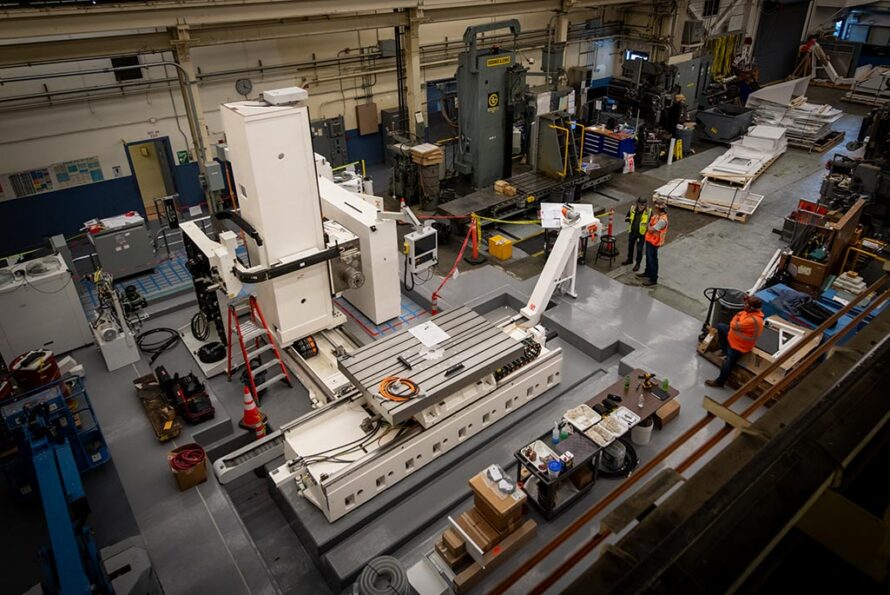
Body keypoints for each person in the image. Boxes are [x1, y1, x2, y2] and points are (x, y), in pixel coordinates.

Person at [706, 295, 765, 388]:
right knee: (720, 326)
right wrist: (736, 319)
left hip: (739, 345)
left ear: (751, 308)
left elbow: (733, 324)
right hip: (733, 337)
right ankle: (724, 349)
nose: (744, 306)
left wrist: (735, 320)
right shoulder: (750, 313)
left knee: (728, 363)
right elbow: (739, 314)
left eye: (746, 304)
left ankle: (720, 382)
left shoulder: (753, 320)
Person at [636, 198, 668, 287]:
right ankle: (647, 272)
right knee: (648, 258)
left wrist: (649, 226)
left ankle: (653, 279)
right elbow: (649, 223)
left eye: (655, 207)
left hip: (655, 243)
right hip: (650, 240)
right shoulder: (658, 216)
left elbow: (650, 229)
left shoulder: (662, 220)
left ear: (658, 208)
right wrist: (649, 226)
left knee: (653, 260)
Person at [621, 197, 650, 272]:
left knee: (639, 249)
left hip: (641, 234)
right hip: (632, 232)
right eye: (640, 204)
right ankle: (629, 259)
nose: (641, 206)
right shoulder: (632, 208)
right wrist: (628, 219)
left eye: (643, 205)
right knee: (630, 246)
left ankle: (638, 264)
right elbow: (627, 216)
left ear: (646, 205)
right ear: (637, 203)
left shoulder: (649, 212)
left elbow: (651, 222)